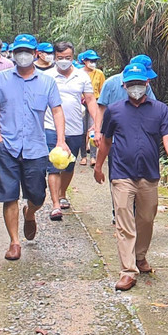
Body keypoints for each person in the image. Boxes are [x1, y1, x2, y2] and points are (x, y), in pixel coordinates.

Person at [93, 62, 168, 291]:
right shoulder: (114, 110)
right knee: (124, 222)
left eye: (139, 83)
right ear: (124, 85)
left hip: (149, 175)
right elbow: (106, 141)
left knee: (146, 218)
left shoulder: (160, 109)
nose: (135, 88)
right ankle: (128, 271)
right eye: (131, 84)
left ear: (147, 83)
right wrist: (99, 166)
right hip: (122, 174)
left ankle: (140, 256)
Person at [0, 34, 69, 262]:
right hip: (7, 146)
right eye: (19, 51)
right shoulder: (0, 79)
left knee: (38, 196)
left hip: (36, 148)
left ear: (35, 54)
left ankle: (30, 213)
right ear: (13, 54)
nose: (23, 55)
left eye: (27, 51)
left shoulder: (47, 82)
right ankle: (14, 242)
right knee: (9, 195)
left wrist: (61, 140)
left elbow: (57, 111)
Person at [96, 54, 159, 224]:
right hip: (115, 140)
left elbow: (152, 107)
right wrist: (98, 131)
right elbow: (101, 108)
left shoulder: (145, 86)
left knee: (140, 178)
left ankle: (136, 212)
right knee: (118, 178)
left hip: (139, 139)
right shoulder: (110, 83)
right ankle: (118, 211)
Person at [43, 41, 98, 221]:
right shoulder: (47, 76)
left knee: (68, 165)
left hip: (75, 128)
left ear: (73, 57)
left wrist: (97, 123)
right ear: (55, 57)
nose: (64, 61)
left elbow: (90, 100)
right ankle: (55, 205)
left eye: (67, 57)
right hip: (51, 127)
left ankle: (62, 193)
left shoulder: (82, 76)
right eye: (60, 58)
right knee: (53, 166)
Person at [80, 49, 105, 166]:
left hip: (94, 103)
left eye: (94, 60)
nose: (93, 63)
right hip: (80, 104)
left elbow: (102, 90)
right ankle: (83, 156)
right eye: (90, 60)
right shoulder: (78, 73)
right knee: (82, 130)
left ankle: (93, 157)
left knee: (93, 128)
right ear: (84, 61)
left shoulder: (99, 73)